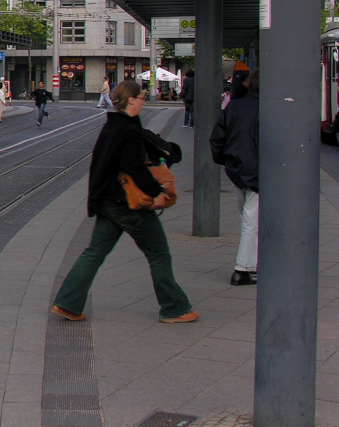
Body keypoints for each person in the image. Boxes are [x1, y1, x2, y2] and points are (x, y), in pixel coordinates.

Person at [50, 79, 198, 324]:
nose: (143, 101)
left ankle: (67, 303)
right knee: (158, 252)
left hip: (108, 200)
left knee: (94, 252)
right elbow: (134, 168)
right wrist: (157, 190)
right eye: (141, 97)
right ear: (131, 100)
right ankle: (174, 307)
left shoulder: (113, 126)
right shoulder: (128, 130)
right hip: (126, 202)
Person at [210, 69, 259, 286]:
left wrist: (228, 161)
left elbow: (216, 139)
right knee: (252, 220)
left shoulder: (235, 106)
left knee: (247, 216)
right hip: (258, 172)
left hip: (236, 170)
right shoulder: (271, 108)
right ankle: (243, 269)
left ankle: (252, 263)